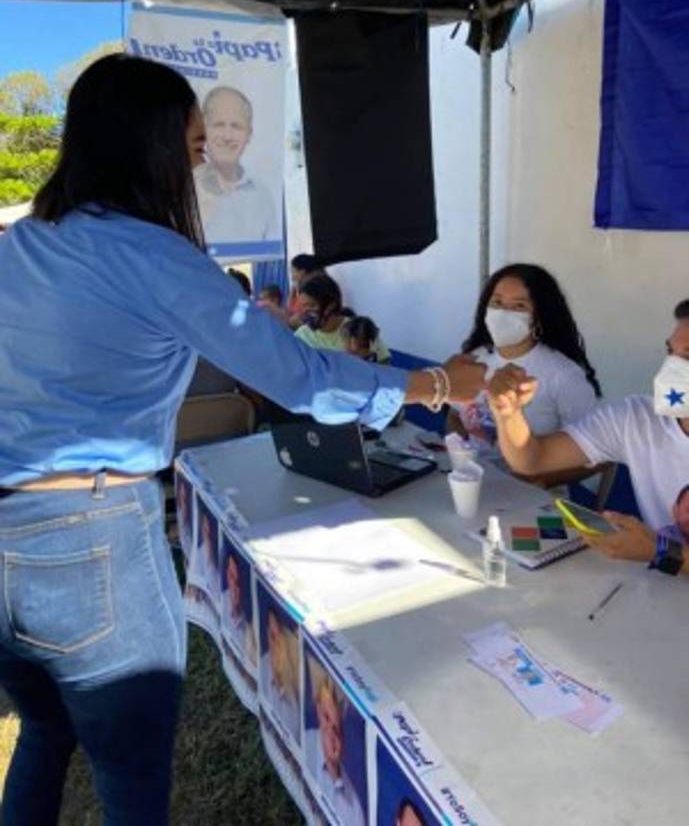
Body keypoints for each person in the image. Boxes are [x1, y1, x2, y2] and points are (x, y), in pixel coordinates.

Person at [0, 53, 485, 825]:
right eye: (194, 147)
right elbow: (299, 379)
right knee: (131, 779)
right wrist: (434, 386)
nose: (202, 162)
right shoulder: (152, 252)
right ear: (148, 146)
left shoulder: (20, 246)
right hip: (91, 535)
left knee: (44, 735)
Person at [487, 298, 689, 574]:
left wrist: (662, 551)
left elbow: (661, 552)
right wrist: (507, 413)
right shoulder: (637, 419)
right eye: (671, 352)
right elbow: (532, 459)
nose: (673, 367)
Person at [448, 264, 600, 448]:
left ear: (539, 317)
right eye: (497, 303)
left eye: (519, 306)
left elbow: (587, 449)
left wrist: (537, 475)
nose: (504, 313)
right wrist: (459, 453)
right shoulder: (474, 359)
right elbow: (454, 416)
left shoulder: (564, 375)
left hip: (530, 477)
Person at [194, 86, 278, 246]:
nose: (227, 136)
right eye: (218, 124)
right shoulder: (183, 190)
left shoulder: (262, 197)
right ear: (204, 129)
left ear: (249, 134)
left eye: (236, 126)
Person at [307, 671, 365, 826]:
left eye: (334, 722)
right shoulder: (305, 743)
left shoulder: (354, 808)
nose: (329, 729)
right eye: (325, 716)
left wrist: (334, 770)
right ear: (317, 708)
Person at [295, 273, 391, 363]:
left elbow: (384, 364)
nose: (304, 312)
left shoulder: (359, 330)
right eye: (303, 306)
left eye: (311, 305)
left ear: (331, 305)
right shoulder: (301, 337)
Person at [262, 608, 301, 744]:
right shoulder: (265, 663)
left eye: (278, 638)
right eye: (271, 636)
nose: (273, 644)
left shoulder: (300, 688)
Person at [222, 550, 257, 667]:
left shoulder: (251, 621)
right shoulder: (223, 600)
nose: (235, 586)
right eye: (231, 577)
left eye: (238, 581)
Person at [287, 253, 321, 327]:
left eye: (293, 272)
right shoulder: (300, 288)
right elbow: (290, 311)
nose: (292, 277)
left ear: (302, 272)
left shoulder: (315, 287)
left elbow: (293, 319)